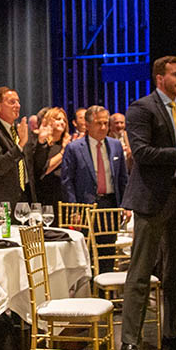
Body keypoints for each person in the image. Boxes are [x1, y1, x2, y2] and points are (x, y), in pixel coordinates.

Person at [117, 56, 176, 350]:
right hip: (152, 200)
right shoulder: (142, 108)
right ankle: (129, 342)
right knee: (140, 272)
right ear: (159, 77)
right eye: (175, 75)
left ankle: (171, 333)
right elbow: (142, 153)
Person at [60, 105, 128, 273]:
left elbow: (122, 179)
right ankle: (89, 294)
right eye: (99, 123)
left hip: (110, 206)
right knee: (87, 254)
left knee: (108, 252)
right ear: (88, 125)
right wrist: (74, 210)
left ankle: (106, 293)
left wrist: (126, 205)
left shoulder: (115, 145)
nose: (103, 127)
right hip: (86, 208)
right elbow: (67, 181)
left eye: (106, 123)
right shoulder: (74, 148)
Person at [0, 86, 33, 209]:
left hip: (25, 197)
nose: (17, 105)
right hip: (2, 202)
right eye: (12, 102)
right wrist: (20, 146)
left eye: (18, 101)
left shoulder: (20, 130)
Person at [29, 107, 69, 211]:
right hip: (45, 196)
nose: (62, 122)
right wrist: (63, 152)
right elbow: (43, 170)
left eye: (64, 120)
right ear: (49, 121)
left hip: (63, 196)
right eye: (58, 119)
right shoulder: (42, 145)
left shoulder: (68, 144)